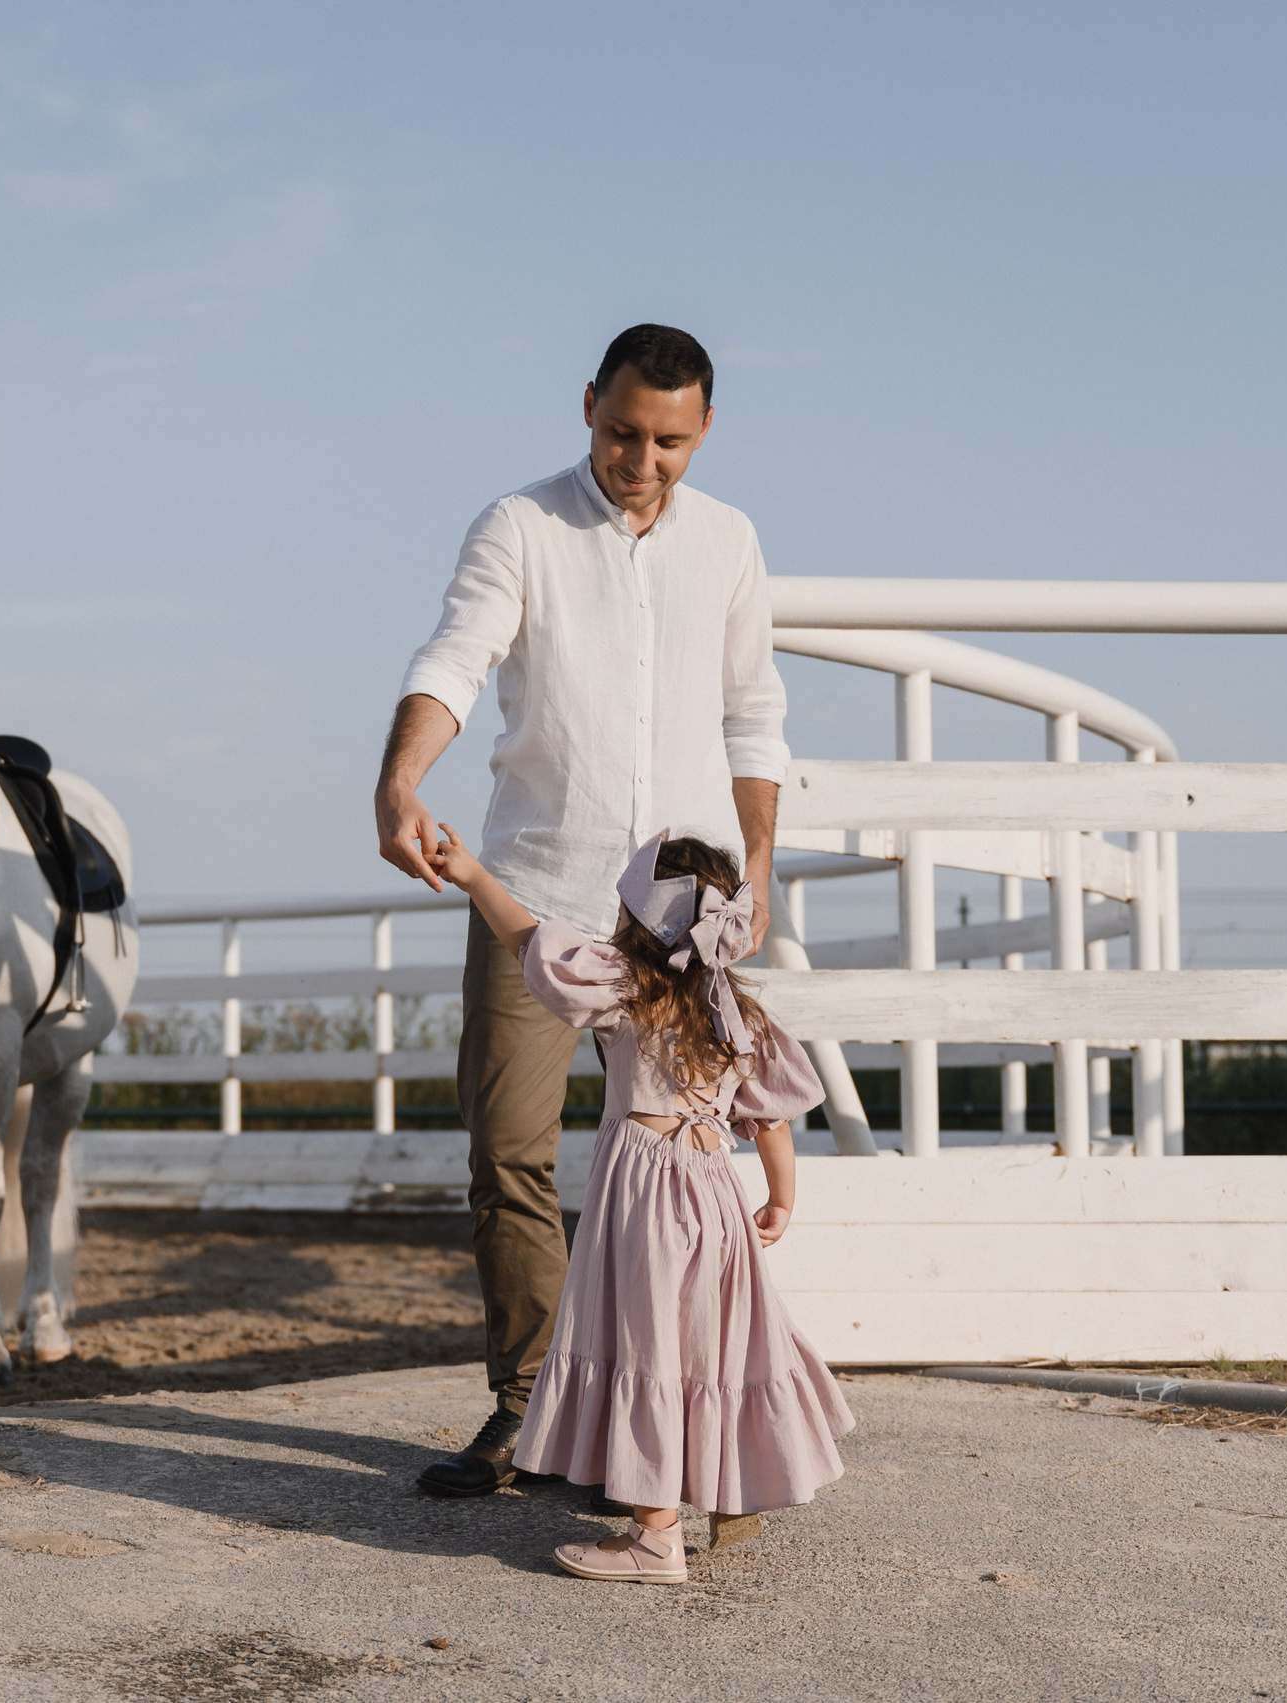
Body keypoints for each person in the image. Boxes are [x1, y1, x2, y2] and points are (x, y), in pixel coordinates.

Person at [376, 324, 791, 1499]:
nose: (642, 460)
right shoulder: (519, 524)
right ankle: (527, 1409)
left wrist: (755, 867)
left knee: (681, 1170)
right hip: (544, 889)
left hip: (681, 917)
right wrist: (400, 776)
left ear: (703, 430)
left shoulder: (731, 543)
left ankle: (672, 1440)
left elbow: (753, 718)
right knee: (509, 1147)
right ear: (587, 408)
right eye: (621, 433)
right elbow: (456, 657)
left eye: (669, 440)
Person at [426, 825, 853, 1582]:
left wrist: (471, 874)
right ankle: (724, 1489)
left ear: (636, 922)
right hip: (717, 1194)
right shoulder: (739, 1015)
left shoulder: (628, 989)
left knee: (649, 1347)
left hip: (648, 1200)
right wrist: (781, 1199)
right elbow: (772, 1121)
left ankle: (655, 1537)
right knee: (709, 1346)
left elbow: (529, 938)